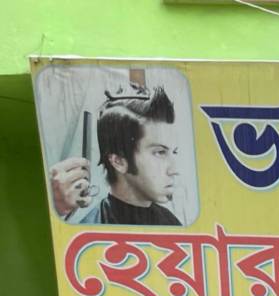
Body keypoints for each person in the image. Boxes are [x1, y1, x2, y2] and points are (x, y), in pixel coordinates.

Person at [49, 85, 181, 226]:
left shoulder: (172, 223)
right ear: (119, 161)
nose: (174, 170)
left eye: (174, 152)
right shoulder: (92, 230)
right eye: (160, 152)